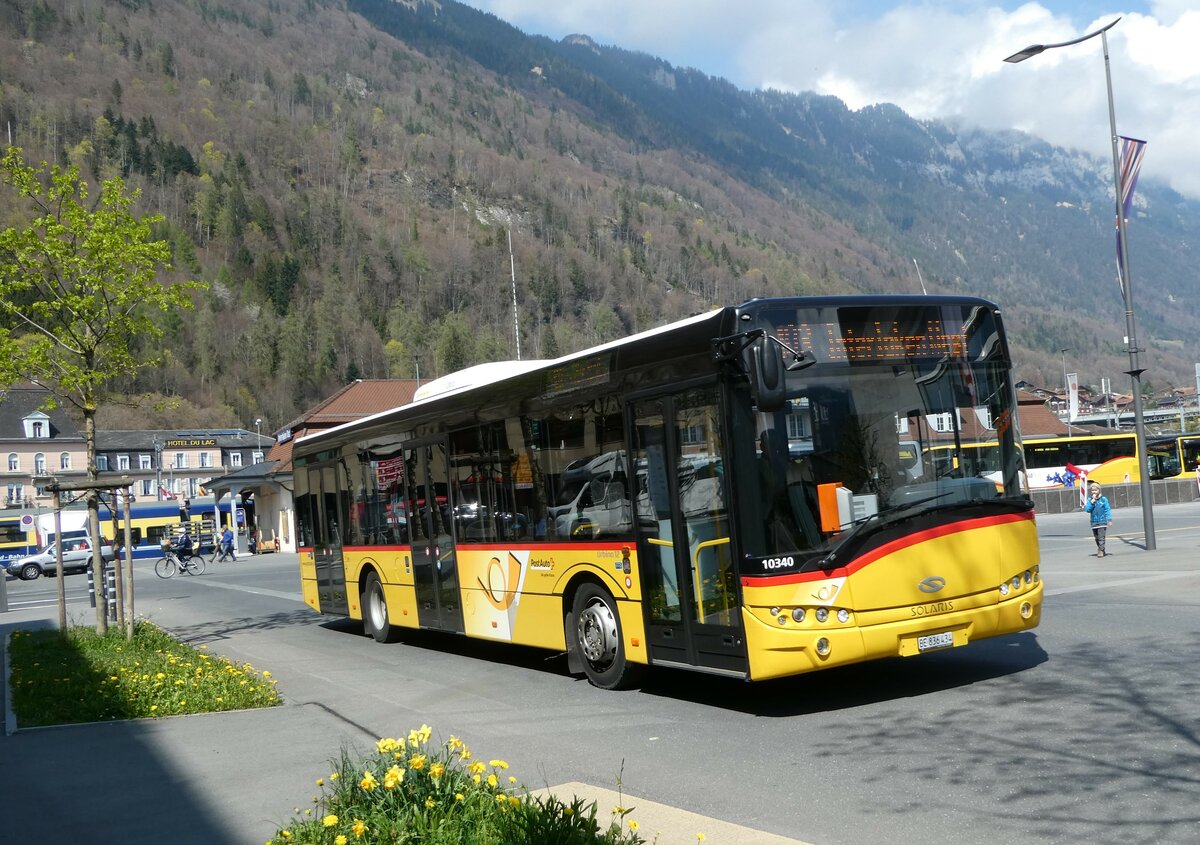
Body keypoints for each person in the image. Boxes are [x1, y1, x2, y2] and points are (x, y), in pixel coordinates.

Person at [1083, 480, 1113, 557]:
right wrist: (1092, 502)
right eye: (1092, 490)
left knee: (1101, 537)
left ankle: (1100, 550)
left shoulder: (1103, 499)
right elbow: (1087, 510)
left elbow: (1107, 509)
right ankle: (1102, 548)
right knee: (1096, 538)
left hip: (1102, 521)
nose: (1094, 492)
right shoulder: (1090, 500)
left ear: (1099, 490)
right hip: (1094, 522)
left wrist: (1109, 519)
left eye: (1095, 490)